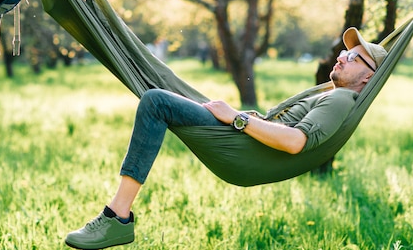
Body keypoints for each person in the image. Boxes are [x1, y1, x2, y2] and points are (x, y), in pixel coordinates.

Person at [64, 28, 387, 250]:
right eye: (345, 52)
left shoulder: (341, 99)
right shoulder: (331, 93)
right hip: (247, 144)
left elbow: (295, 142)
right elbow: (291, 128)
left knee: (157, 100)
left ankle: (117, 217)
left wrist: (237, 118)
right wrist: (256, 118)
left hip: (247, 153)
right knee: (161, 98)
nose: (342, 57)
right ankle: (116, 217)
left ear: (369, 76)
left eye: (353, 58)